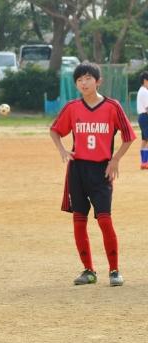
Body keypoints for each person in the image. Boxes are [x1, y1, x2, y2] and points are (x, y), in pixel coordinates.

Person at [49, 62, 134, 287]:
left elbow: (128, 136)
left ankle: (114, 271)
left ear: (98, 81)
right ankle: (88, 271)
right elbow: (55, 131)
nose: (83, 83)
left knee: (104, 219)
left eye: (88, 78)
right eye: (79, 80)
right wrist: (62, 150)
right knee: (79, 221)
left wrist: (115, 159)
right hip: (77, 170)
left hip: (101, 170)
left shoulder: (112, 107)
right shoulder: (72, 107)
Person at [136, 71, 148, 169]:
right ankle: (145, 162)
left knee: (144, 140)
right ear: (145, 80)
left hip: (142, 117)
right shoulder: (145, 91)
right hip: (145, 117)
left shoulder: (141, 90)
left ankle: (144, 162)